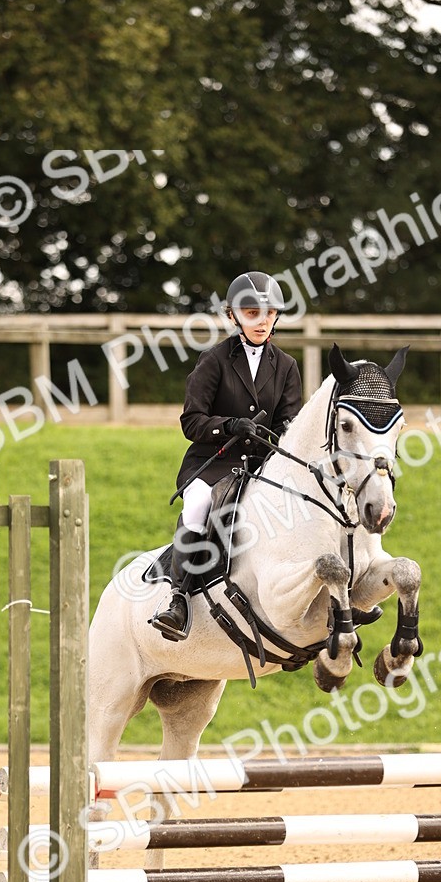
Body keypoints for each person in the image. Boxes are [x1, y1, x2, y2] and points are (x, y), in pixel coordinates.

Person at [151, 270, 303, 640]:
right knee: (199, 503)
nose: (262, 321)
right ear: (233, 315)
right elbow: (191, 420)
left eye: (269, 313)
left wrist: (280, 434)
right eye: (252, 314)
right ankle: (178, 598)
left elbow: (289, 423)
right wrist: (229, 425)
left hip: (262, 466)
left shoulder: (286, 366)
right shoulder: (214, 360)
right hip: (214, 461)